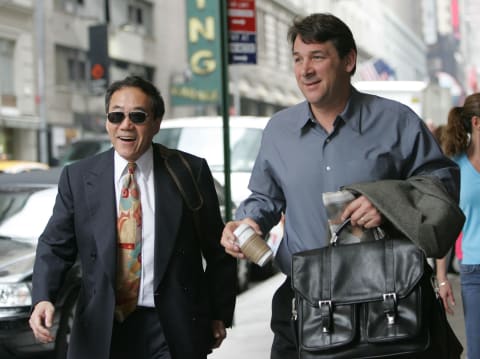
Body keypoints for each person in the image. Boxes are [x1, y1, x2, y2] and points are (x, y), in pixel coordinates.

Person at [220, 13, 460, 359]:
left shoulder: (397, 122)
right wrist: (249, 222)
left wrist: (389, 203)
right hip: (304, 299)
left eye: (318, 56)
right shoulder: (278, 131)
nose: (305, 70)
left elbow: (443, 185)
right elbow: (264, 196)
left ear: (349, 61)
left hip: (386, 299)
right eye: (298, 59)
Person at [29, 76, 237, 359]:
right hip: (103, 328)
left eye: (137, 116)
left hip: (172, 327)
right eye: (116, 116)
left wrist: (219, 313)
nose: (125, 125)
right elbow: (55, 245)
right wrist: (43, 297)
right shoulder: (78, 177)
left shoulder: (189, 171)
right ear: (106, 122)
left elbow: (218, 248)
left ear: (156, 123)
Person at [436, 93, 480, 359]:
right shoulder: (455, 168)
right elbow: (445, 222)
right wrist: (441, 278)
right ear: (477, 122)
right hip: (474, 272)